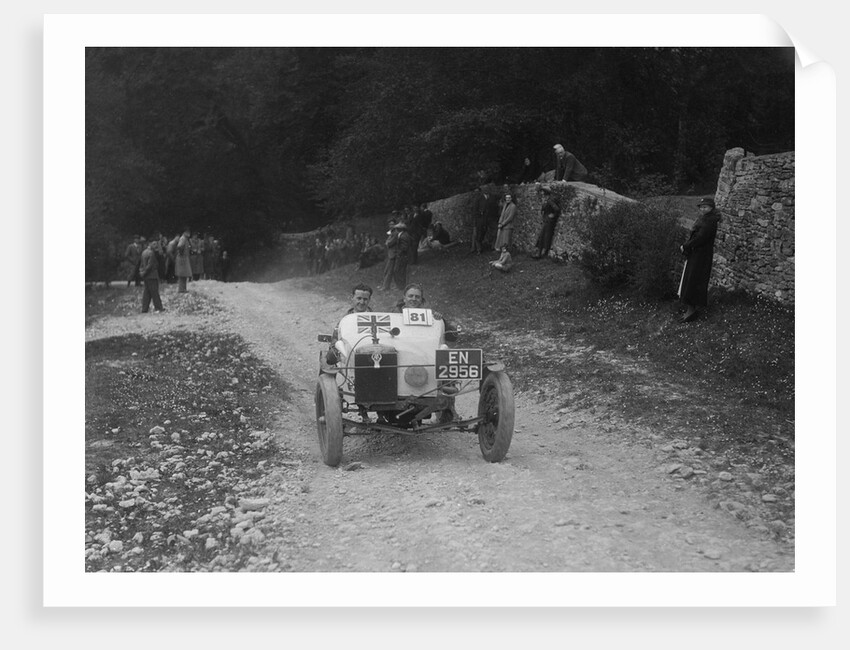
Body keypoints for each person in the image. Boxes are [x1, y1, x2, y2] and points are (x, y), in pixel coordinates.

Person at [678, 197, 722, 322]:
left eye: (705, 207)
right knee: (690, 279)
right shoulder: (705, 218)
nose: (703, 209)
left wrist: (686, 245)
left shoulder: (710, 221)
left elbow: (701, 237)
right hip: (697, 252)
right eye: (701, 207)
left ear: (711, 208)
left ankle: (691, 311)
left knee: (694, 280)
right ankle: (690, 309)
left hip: (701, 254)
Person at [531, 185, 562, 259]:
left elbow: (557, 209)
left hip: (549, 221)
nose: (541, 193)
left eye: (543, 192)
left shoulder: (550, 200)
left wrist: (553, 215)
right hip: (546, 220)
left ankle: (542, 253)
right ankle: (539, 252)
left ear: (546, 192)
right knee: (542, 236)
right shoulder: (546, 199)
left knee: (545, 236)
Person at [139, 239, 165, 313]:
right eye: (154, 244)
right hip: (152, 275)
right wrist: (144, 272)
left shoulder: (144, 252)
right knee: (155, 292)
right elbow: (150, 265)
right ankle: (159, 307)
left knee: (147, 292)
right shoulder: (151, 253)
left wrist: (141, 272)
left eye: (156, 244)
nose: (155, 246)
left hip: (146, 276)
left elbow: (141, 264)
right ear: (149, 244)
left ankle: (144, 309)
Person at [378, 219, 400, 291]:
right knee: (387, 270)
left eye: (392, 224)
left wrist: (387, 243)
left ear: (395, 225)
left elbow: (390, 243)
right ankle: (385, 285)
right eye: (390, 224)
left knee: (389, 271)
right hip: (390, 253)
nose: (391, 226)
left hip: (393, 254)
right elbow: (387, 241)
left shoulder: (396, 233)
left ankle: (386, 287)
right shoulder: (391, 232)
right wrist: (387, 242)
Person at [175, 228, 192, 293]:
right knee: (182, 274)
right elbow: (179, 246)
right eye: (187, 232)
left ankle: (183, 288)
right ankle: (181, 289)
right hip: (182, 258)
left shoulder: (185, 239)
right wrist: (181, 253)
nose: (188, 233)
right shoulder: (183, 238)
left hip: (184, 257)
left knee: (185, 274)